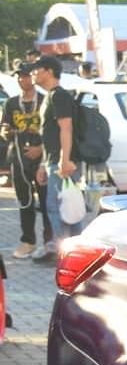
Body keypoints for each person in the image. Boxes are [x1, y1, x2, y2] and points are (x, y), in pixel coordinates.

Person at [27, 56, 83, 249]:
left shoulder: (59, 95)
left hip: (64, 163)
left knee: (62, 209)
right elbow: (48, 136)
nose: (33, 74)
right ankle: (72, 250)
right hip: (53, 162)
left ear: (49, 71)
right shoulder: (49, 97)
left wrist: (64, 160)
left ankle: (68, 251)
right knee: (65, 208)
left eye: (36, 70)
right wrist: (44, 164)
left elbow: (66, 128)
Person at [3, 61, 53, 260]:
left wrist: (40, 149)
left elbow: (53, 131)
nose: (22, 80)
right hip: (18, 157)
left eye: (25, 75)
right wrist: (5, 131)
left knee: (47, 201)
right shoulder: (11, 103)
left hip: (42, 158)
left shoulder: (44, 101)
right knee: (25, 201)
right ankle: (28, 242)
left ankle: (49, 242)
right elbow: (4, 125)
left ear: (32, 77)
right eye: (18, 76)